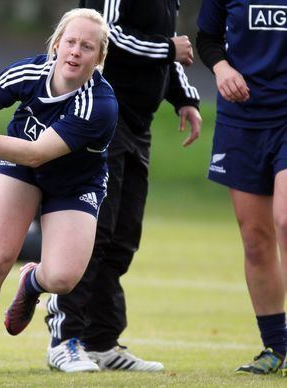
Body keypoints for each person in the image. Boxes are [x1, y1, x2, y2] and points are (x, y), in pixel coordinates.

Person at [0, 8, 117, 383]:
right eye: (71, 42)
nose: (76, 52)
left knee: (62, 279)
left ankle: (32, 282)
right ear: (57, 44)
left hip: (74, 182)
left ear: (99, 58)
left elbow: (37, 152)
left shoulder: (100, 104)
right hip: (19, 169)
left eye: (87, 47)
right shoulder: (29, 71)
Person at [42, 0, 202, 373]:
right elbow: (105, 36)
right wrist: (167, 50)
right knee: (92, 234)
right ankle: (64, 340)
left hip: (137, 126)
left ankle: (101, 341)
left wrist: (183, 98)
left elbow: (167, 48)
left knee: (122, 237)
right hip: (100, 118)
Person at [196, 0, 287, 376]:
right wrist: (221, 68)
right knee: (255, 237)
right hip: (243, 118)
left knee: (286, 221)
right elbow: (208, 38)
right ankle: (276, 348)